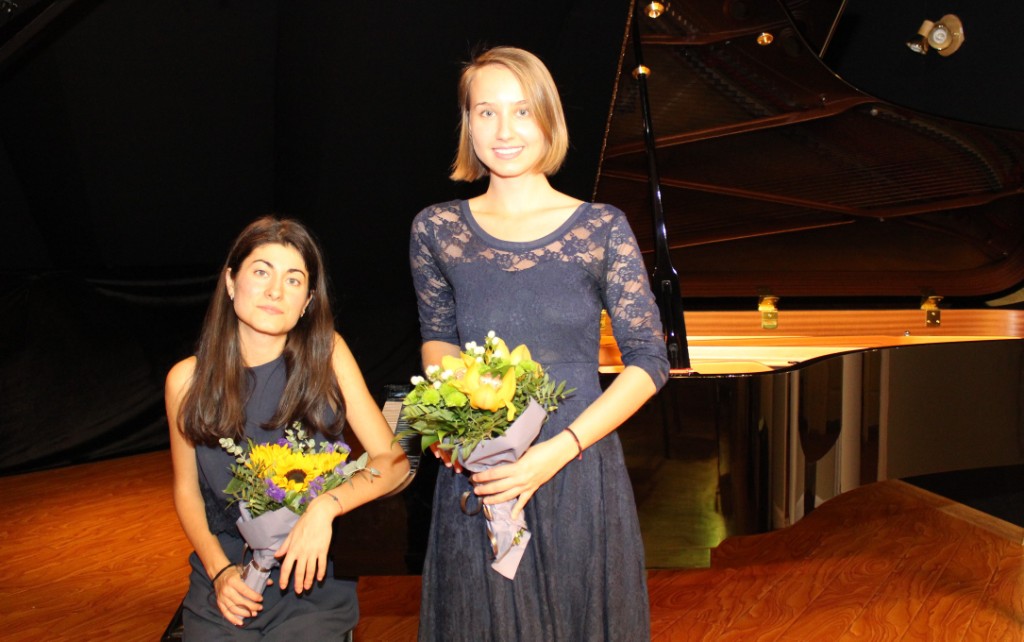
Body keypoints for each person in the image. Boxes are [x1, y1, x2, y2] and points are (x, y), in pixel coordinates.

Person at [409, 46, 669, 640]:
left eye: (522, 111)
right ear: (468, 123)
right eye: (487, 112)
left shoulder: (602, 227)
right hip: (484, 473)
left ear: (548, 118)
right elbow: (438, 340)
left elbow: (649, 360)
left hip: (577, 465)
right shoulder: (436, 229)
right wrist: (453, 428)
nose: (504, 130)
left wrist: (553, 453)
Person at [166, 215, 409, 638]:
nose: (276, 291)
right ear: (230, 282)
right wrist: (219, 571)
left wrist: (325, 507)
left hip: (311, 575)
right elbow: (187, 491)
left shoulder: (327, 352)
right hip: (227, 573)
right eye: (261, 272)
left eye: (293, 280)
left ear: (308, 301)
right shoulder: (185, 380)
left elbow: (394, 462)